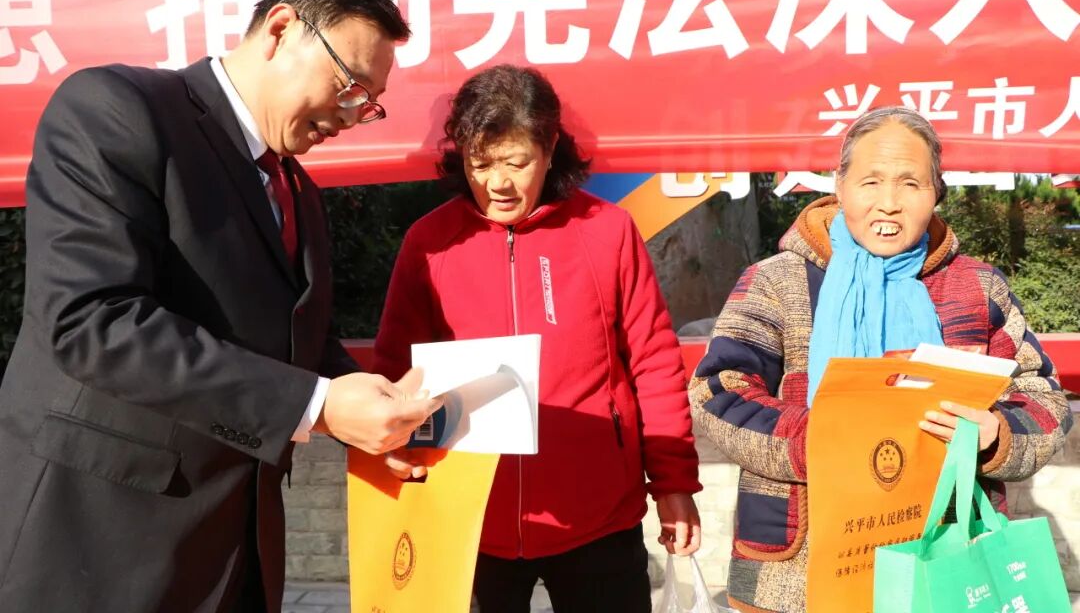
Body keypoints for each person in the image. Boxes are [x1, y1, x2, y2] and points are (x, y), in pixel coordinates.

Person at [0, 0, 441, 613]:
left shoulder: (298, 193)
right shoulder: (118, 110)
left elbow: (299, 345)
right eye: (349, 84)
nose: (352, 114)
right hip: (99, 544)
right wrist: (319, 405)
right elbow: (92, 321)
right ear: (282, 30)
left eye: (368, 103)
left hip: (233, 554)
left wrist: (369, 409)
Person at [689, 106, 1073, 612]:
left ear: (936, 192)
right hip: (799, 567)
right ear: (840, 185)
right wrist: (819, 441)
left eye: (911, 183)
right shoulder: (777, 282)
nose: (889, 203)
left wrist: (996, 433)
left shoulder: (978, 288)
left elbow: (1045, 400)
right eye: (870, 182)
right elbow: (719, 390)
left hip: (941, 558)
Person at [373, 65, 703, 612]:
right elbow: (394, 369)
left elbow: (654, 360)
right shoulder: (429, 242)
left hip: (598, 517)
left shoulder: (607, 230)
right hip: (469, 518)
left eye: (516, 162)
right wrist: (394, 449)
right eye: (480, 164)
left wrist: (673, 483)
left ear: (549, 149)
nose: (498, 183)